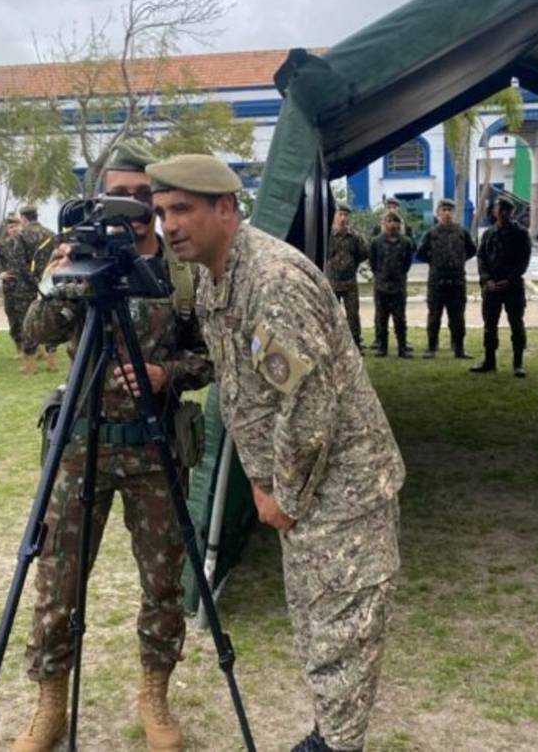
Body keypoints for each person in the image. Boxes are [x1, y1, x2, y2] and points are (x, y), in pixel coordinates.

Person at [148, 154, 405, 752]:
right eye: (161, 213)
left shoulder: (272, 281)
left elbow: (308, 405)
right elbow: (248, 380)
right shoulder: (216, 276)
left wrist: (279, 493)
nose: (169, 225)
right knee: (319, 628)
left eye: (182, 209)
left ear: (226, 208)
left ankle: (335, 745)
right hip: (307, 490)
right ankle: (332, 735)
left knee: (340, 633)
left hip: (341, 489)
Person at [11, 140, 212, 752]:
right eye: (117, 195)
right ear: (101, 198)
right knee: (58, 581)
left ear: (157, 199)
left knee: (163, 584)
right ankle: (50, 705)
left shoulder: (182, 271)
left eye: (141, 195)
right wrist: (61, 281)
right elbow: (33, 335)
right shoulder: (78, 259)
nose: (129, 206)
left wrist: (166, 374)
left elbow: (212, 357)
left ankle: (155, 695)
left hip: (155, 449)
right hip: (82, 447)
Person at [471, 198, 532, 377]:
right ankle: (489, 361)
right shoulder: (489, 233)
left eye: (506, 210)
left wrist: (509, 280)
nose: (502, 213)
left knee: (516, 325)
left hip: (512, 287)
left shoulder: (520, 233)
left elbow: (523, 260)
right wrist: (487, 280)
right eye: (499, 209)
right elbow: (481, 257)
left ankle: (518, 364)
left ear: (510, 212)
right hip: (491, 287)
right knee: (490, 325)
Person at [416, 198, 476, 360]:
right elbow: (420, 253)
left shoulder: (462, 232)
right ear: (438, 213)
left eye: (450, 210)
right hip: (437, 282)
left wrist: (458, 261)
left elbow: (471, 250)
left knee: (458, 317)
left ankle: (459, 348)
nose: (447, 213)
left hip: (457, 282)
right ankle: (431, 347)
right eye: (444, 210)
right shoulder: (431, 234)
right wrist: (435, 262)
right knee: (434, 316)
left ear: (454, 213)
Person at [367, 211, 415, 358]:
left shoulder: (406, 242)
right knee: (381, 319)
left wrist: (399, 275)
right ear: (384, 223)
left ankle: (402, 348)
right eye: (389, 221)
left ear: (399, 224)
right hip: (381, 287)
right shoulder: (376, 242)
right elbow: (373, 263)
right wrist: (380, 275)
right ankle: (382, 347)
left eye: (395, 221)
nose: (392, 224)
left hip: (398, 287)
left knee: (400, 319)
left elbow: (407, 263)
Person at [18, 203, 59, 372]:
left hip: (29, 287)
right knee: (50, 319)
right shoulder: (51, 234)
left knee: (30, 322)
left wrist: (33, 282)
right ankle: (52, 362)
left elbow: (20, 264)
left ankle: (30, 365)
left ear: (23, 218)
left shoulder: (22, 236)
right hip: (49, 283)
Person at [0, 215, 32, 367]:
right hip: (10, 288)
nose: (14, 229)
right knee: (13, 317)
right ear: (7, 230)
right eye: (10, 227)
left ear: (21, 226)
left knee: (28, 317)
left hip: (27, 287)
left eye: (16, 226)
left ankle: (33, 348)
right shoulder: (2, 245)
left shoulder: (27, 242)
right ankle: (19, 346)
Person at [326, 204, 369, 351]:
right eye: (340, 214)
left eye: (345, 215)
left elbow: (363, 254)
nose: (343, 218)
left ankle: (355, 344)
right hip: (332, 283)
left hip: (349, 283)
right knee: (332, 315)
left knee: (353, 315)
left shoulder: (354, 237)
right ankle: (334, 344)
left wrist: (351, 265)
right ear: (335, 216)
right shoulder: (328, 236)